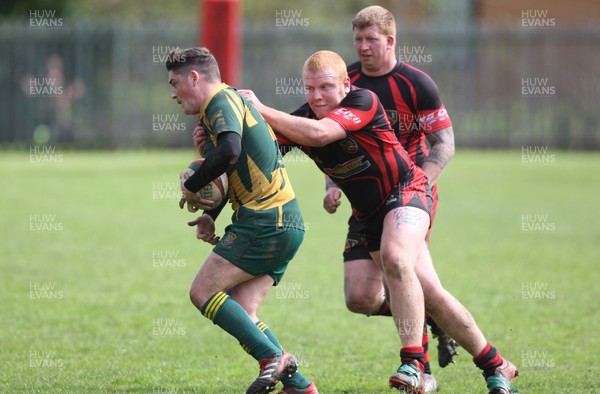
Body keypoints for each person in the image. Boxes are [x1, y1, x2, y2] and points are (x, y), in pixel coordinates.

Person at [240, 50, 518, 394]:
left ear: (345, 84)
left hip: (407, 191)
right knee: (412, 294)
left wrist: (261, 108)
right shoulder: (301, 118)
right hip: (367, 213)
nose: (316, 97)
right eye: (309, 89)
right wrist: (214, 163)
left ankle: (414, 363)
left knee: (396, 258)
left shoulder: (363, 100)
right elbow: (257, 155)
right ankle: (496, 364)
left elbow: (321, 134)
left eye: (325, 88)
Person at [166, 47, 318, 394]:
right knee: (243, 310)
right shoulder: (228, 103)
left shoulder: (220, 101)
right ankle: (299, 387)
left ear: (194, 77)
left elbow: (230, 151)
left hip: (265, 220)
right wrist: (209, 213)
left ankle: (272, 360)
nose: (173, 94)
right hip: (285, 221)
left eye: (175, 84)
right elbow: (234, 162)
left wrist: (192, 185)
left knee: (203, 292)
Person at [322, 5, 458, 391]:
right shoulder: (344, 81)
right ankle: (431, 317)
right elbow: (331, 140)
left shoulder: (417, 83)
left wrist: (419, 186)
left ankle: (422, 371)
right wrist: (332, 185)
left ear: (390, 41)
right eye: (358, 40)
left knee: (402, 269)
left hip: (409, 196)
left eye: (372, 40)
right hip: (365, 196)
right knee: (361, 297)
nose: (363, 47)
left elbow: (444, 142)